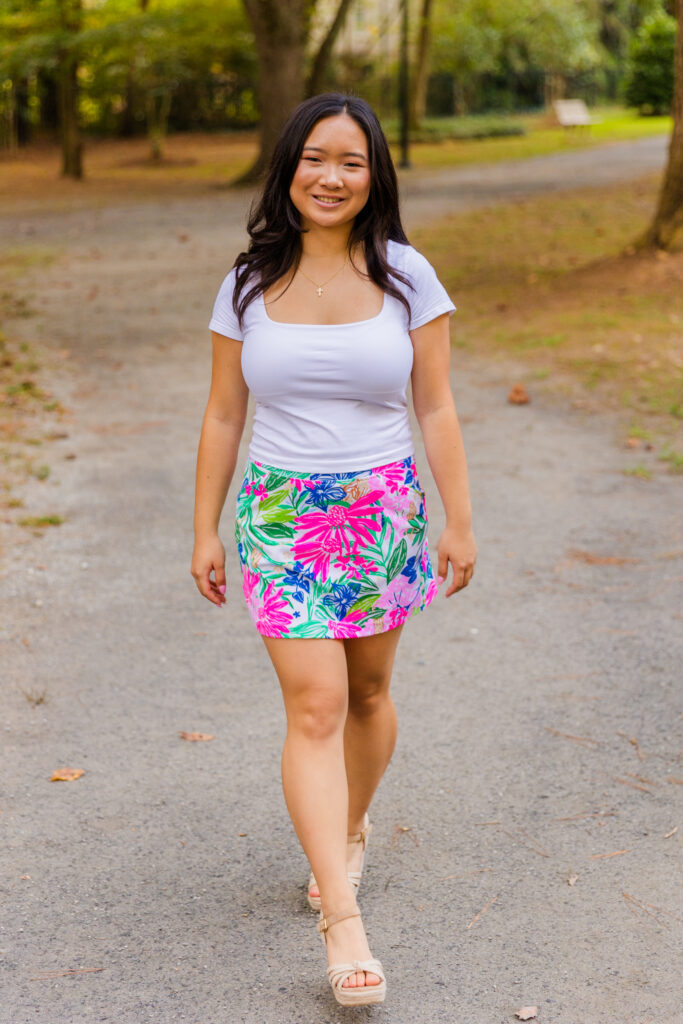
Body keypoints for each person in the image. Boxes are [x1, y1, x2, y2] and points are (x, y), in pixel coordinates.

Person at [191, 92, 476, 1007]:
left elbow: (435, 404)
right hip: (279, 516)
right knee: (314, 705)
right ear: (288, 167)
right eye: (315, 158)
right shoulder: (247, 282)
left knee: (368, 692)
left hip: (381, 511)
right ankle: (342, 924)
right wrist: (204, 527)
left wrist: (458, 519)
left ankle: (349, 828)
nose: (330, 177)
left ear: (373, 175)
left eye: (351, 162)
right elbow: (223, 414)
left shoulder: (406, 275)